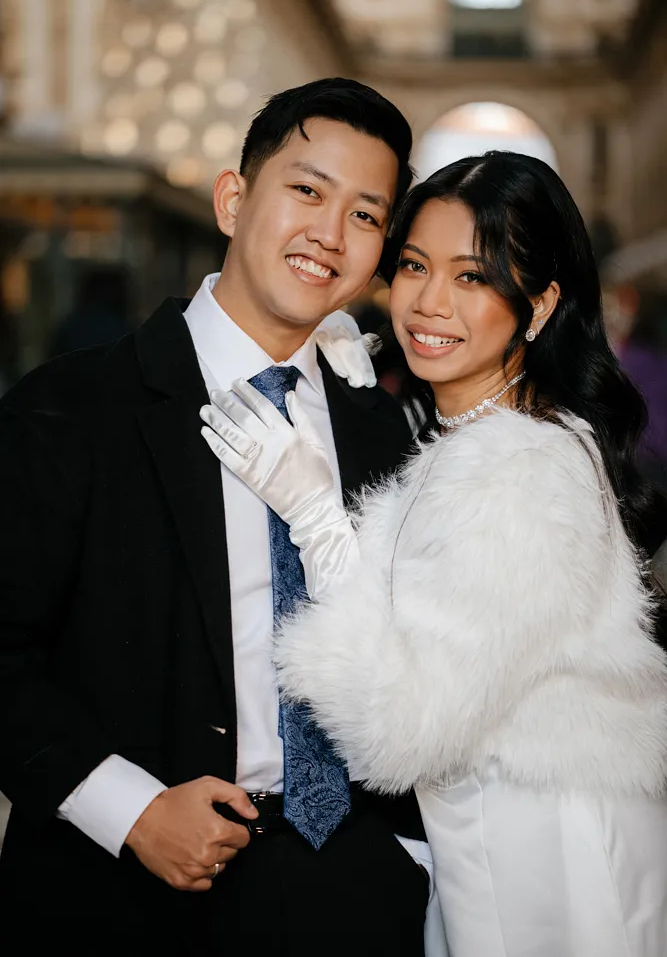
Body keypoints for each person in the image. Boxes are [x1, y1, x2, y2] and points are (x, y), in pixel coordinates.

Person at [0, 78, 434, 954]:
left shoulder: (384, 430)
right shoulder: (71, 408)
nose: (329, 233)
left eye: (364, 214)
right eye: (306, 190)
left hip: (353, 893)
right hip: (120, 893)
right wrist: (129, 809)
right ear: (233, 200)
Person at [200, 151, 667, 957]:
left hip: (543, 862)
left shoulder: (520, 469)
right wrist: (359, 389)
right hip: (490, 842)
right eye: (414, 266)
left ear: (538, 304)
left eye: (472, 277)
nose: (428, 302)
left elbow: (397, 728)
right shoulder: (481, 436)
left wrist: (314, 518)